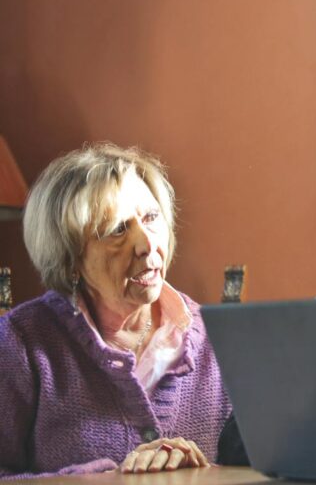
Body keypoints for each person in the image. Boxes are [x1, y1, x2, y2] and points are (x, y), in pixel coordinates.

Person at [0, 143, 231, 477]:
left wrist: (201, 471)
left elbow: (262, 468)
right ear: (70, 258)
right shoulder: (21, 343)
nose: (147, 244)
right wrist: (107, 479)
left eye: (151, 218)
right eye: (118, 230)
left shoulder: (219, 339)